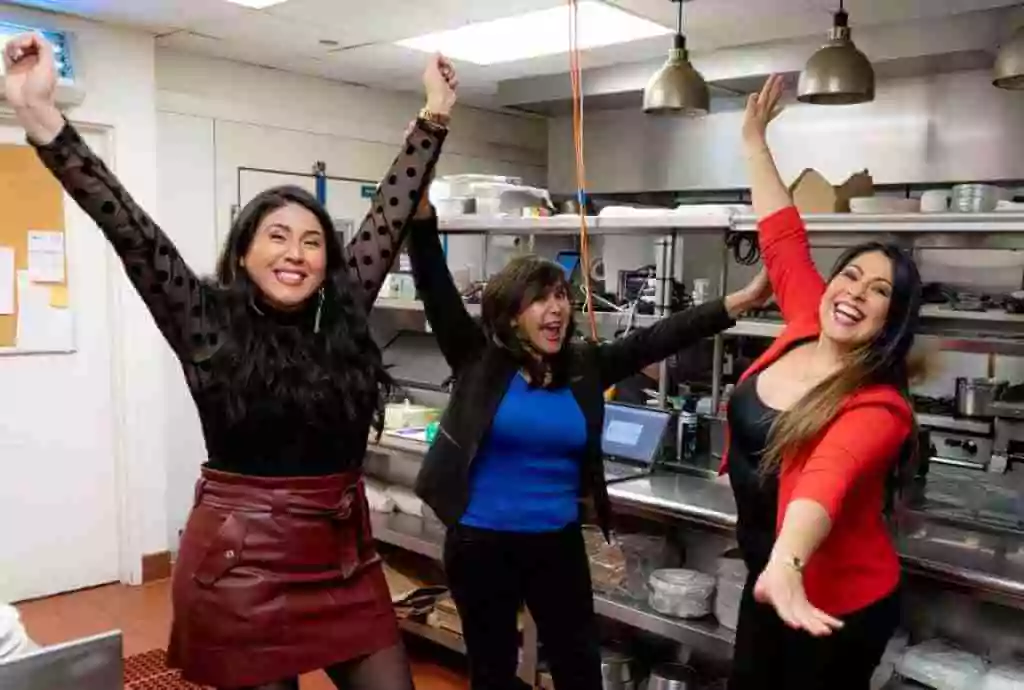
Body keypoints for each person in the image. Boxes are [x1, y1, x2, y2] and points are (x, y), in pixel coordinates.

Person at [4, 32, 459, 690]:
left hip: (343, 560)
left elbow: (390, 212)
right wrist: (42, 116)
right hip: (242, 568)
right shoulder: (206, 321)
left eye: (312, 241)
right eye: (276, 236)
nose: (295, 253)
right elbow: (131, 229)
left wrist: (435, 113)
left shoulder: (345, 313)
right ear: (243, 252)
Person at [405, 197, 772, 690]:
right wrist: (422, 219)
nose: (556, 307)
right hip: (480, 543)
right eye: (540, 298)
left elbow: (657, 339)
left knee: (579, 671)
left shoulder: (582, 367)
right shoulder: (478, 359)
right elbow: (434, 284)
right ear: (512, 316)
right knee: (492, 671)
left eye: (561, 295)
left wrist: (737, 304)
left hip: (556, 544)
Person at [723, 74, 922, 690]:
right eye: (852, 276)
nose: (856, 293)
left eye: (880, 290)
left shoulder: (878, 406)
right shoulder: (808, 321)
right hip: (768, 581)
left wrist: (788, 561)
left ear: (893, 319)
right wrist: (755, 141)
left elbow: (825, 478)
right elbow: (783, 239)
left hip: (835, 604)